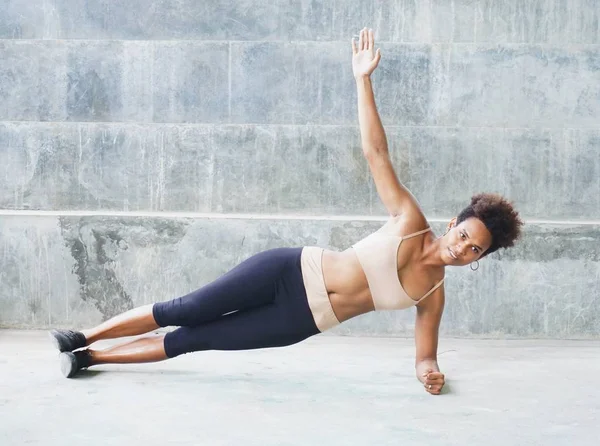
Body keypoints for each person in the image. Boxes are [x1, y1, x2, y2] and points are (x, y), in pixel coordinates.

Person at [50, 28, 523, 395]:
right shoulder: (410, 221)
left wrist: (432, 373)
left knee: (194, 338)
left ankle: (92, 360)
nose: (462, 249)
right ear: (452, 225)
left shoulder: (434, 295)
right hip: (288, 270)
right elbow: (376, 153)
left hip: (300, 321)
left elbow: (424, 357)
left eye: (474, 250)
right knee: (186, 309)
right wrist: (363, 80)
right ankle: (83, 336)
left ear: (478, 260)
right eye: (464, 235)